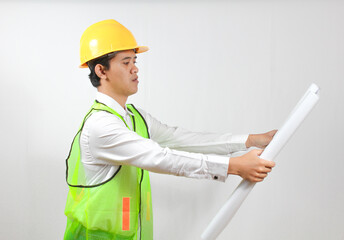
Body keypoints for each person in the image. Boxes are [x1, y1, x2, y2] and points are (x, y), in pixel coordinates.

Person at [64, 19, 276, 240]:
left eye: (134, 60)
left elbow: (180, 139)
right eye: (126, 62)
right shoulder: (100, 126)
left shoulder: (135, 118)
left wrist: (250, 140)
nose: (135, 68)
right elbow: (160, 158)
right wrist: (234, 166)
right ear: (101, 70)